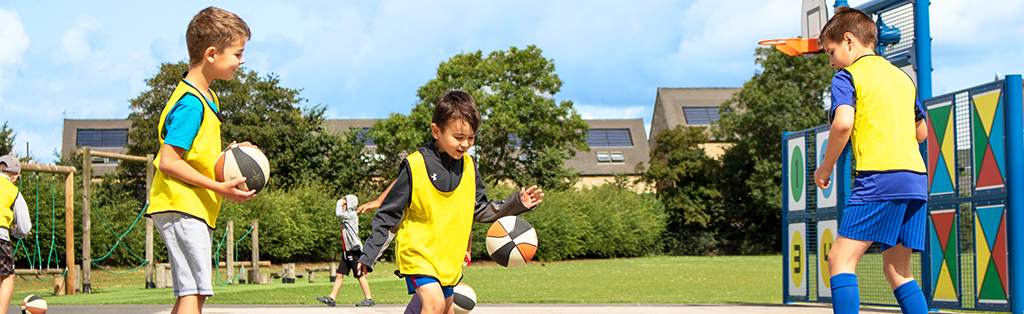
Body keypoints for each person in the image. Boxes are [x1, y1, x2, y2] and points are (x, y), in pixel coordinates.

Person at [357, 90, 544, 314]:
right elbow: (389, 215)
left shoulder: (469, 166)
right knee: (433, 303)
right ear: (436, 131)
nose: (466, 144)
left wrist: (517, 203)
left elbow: (479, 209)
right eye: (458, 137)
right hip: (419, 253)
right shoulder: (415, 165)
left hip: (448, 258)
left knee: (446, 309)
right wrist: (369, 254)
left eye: (471, 138)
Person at [813, 6, 929, 314]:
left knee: (840, 260)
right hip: (916, 180)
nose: (831, 61)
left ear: (849, 41)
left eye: (832, 51)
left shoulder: (846, 77)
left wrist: (825, 167)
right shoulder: (903, 79)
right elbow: (922, 132)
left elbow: (842, 124)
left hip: (880, 177)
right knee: (898, 271)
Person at [146, 7, 255, 314]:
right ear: (211, 54)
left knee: (193, 292)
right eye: (237, 53)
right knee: (194, 291)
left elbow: (197, 155)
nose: (241, 61)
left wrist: (231, 154)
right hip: (180, 204)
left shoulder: (207, 96)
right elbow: (168, 161)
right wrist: (218, 187)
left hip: (191, 206)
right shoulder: (192, 104)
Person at [317, 195, 375, 307]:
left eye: (344, 205)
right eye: (342, 205)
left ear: (350, 205)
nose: (342, 207)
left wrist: (338, 202)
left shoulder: (351, 215)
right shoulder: (347, 215)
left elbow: (338, 214)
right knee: (339, 274)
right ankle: (331, 298)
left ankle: (369, 298)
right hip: (347, 251)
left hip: (354, 251)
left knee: (359, 274)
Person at [0, 155, 30, 314]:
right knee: (6, 276)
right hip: (1, 235)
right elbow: (25, 227)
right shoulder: (12, 190)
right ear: (16, 176)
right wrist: (16, 233)